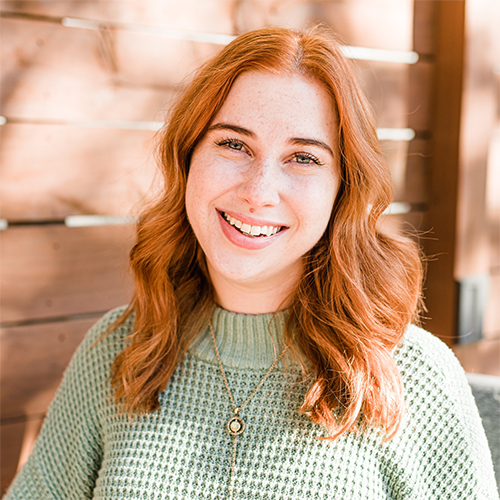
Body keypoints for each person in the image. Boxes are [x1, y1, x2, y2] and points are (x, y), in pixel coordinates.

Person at [4, 25, 499, 500]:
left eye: (303, 157)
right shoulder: (119, 349)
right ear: (188, 158)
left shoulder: (412, 375)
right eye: (234, 144)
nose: (259, 192)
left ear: (342, 189)